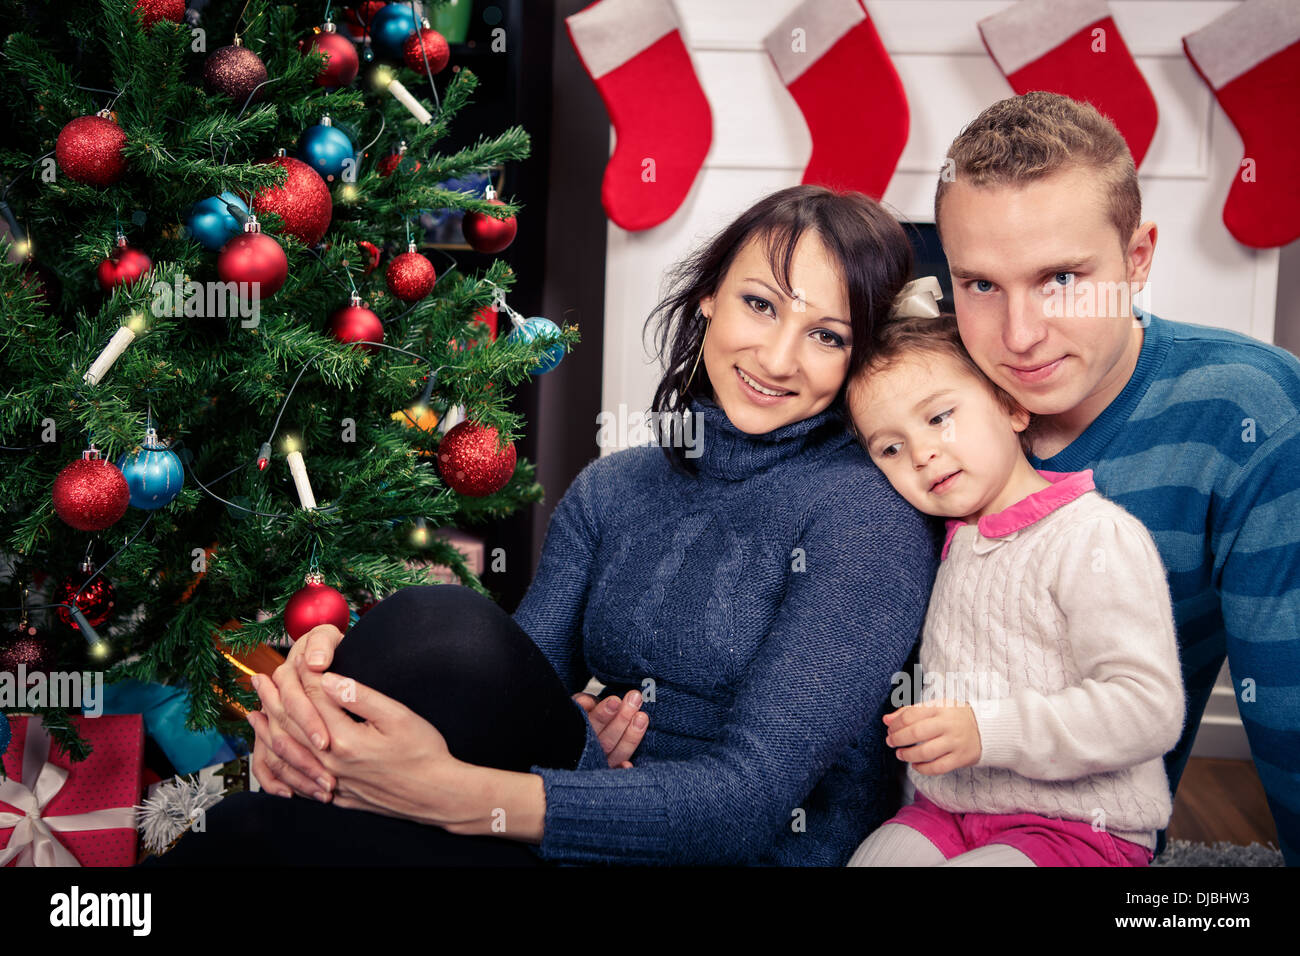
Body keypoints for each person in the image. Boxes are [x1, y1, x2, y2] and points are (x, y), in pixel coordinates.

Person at [144, 184, 940, 867]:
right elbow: (496, 689)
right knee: (244, 828)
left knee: (431, 628)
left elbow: (746, 803)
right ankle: (304, 742)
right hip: (583, 821)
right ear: (709, 296)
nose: (776, 356)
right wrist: (330, 682)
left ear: (861, 355)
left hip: (733, 852)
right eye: (759, 304)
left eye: (827, 335)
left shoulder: (864, 513)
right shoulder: (617, 488)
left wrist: (460, 797)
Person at [931, 91, 1300, 865]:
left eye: (1060, 277)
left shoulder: (1252, 415)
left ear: (1137, 260)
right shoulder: (918, 404)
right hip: (908, 820)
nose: (1020, 337)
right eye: (980, 285)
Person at [842, 310, 1185, 866]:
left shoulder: (1093, 535)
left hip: (1078, 825)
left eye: (939, 417)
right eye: (890, 449)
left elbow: (1148, 707)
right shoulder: (943, 543)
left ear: (1011, 406)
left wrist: (987, 730)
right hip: (948, 811)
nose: (921, 454)